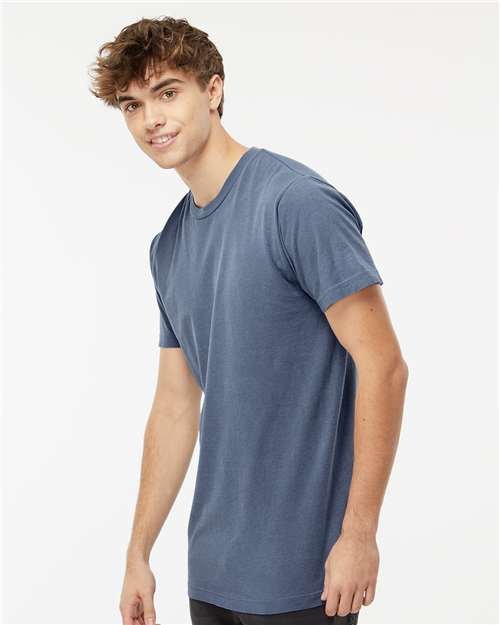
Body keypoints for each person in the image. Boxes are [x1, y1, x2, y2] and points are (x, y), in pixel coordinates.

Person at [89, 16, 408, 625]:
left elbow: (385, 366)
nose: (151, 119)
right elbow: (175, 405)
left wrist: (360, 534)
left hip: (306, 573)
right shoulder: (168, 247)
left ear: (212, 90)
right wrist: (138, 553)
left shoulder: (295, 203)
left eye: (166, 92)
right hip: (213, 571)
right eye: (132, 105)